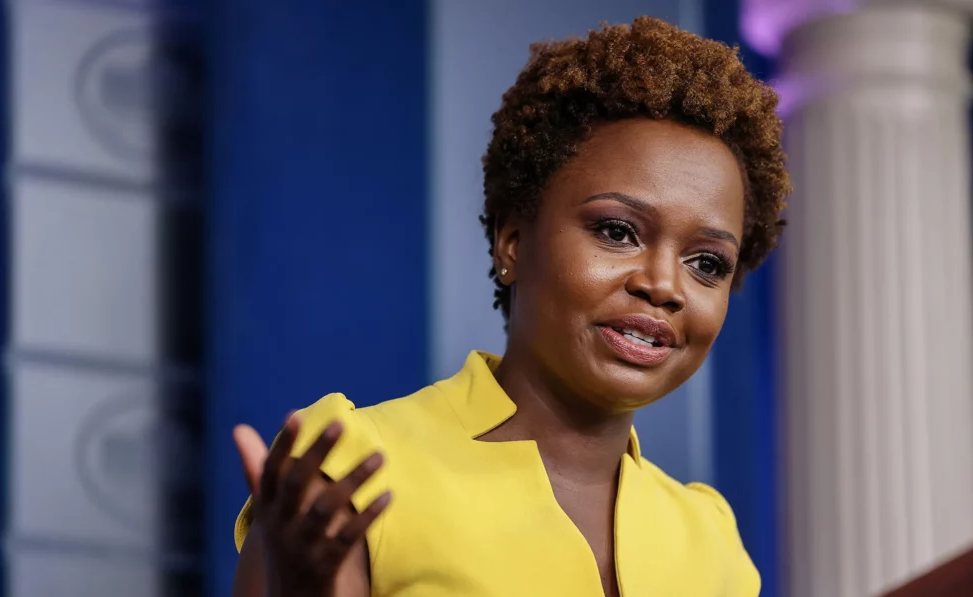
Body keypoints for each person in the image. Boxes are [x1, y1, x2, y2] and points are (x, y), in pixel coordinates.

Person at [230, 16, 790, 597]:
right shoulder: (354, 466)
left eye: (707, 263)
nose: (664, 285)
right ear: (513, 242)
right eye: (618, 231)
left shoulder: (710, 539)